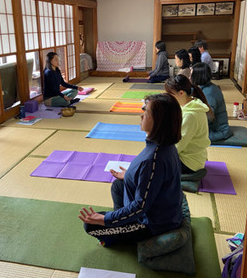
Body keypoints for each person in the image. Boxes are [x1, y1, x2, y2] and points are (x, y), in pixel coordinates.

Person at [78, 93, 183, 246]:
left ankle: (120, 236)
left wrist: (106, 219)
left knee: (90, 225)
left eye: (146, 112)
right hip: (158, 207)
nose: (141, 116)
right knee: (119, 186)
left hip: (152, 224)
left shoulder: (154, 159)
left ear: (159, 121)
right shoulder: (162, 145)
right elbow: (152, 181)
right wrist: (129, 176)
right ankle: (121, 224)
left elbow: (140, 206)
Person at [165, 75, 211, 174]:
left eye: (170, 95)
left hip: (189, 163)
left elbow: (178, 146)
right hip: (194, 156)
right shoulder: (192, 103)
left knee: (153, 161)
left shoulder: (191, 115)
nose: (169, 98)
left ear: (181, 93)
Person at [191, 62, 233, 142]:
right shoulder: (205, 87)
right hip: (212, 125)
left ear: (197, 76)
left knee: (190, 138)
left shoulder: (210, 92)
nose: (190, 77)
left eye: (191, 75)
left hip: (217, 129)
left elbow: (208, 116)